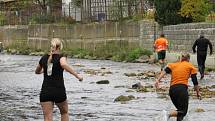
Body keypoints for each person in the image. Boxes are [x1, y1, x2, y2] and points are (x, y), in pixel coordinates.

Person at [35, 38, 83, 121]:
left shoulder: (44, 58)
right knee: (64, 112)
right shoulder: (61, 56)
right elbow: (64, 64)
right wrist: (77, 75)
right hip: (58, 91)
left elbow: (37, 71)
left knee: (47, 117)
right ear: (60, 47)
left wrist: (45, 70)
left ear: (51, 46)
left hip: (45, 91)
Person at [155, 53, 201, 121]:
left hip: (172, 90)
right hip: (181, 89)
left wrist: (157, 80)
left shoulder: (174, 65)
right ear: (188, 59)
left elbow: (165, 71)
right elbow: (195, 81)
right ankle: (168, 114)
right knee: (183, 112)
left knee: (179, 111)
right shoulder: (190, 66)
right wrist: (198, 92)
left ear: (181, 58)